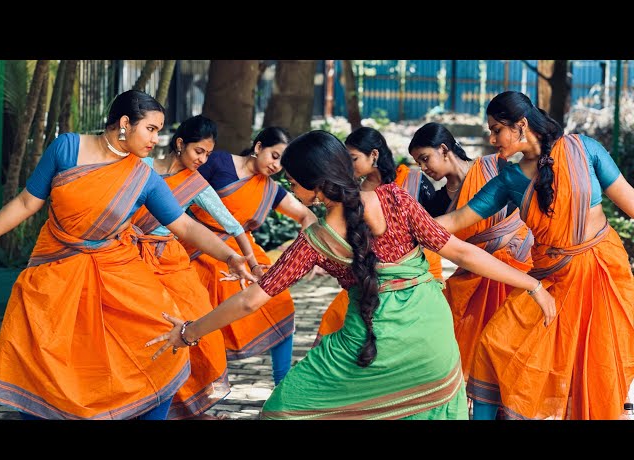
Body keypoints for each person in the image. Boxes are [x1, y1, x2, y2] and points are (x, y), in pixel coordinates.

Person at [146, 129, 556, 420]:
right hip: (432, 342)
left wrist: (189, 332)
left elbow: (253, 299)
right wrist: (533, 283)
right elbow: (461, 251)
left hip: (368, 347)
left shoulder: (315, 240)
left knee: (282, 410)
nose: (289, 186)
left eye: (293, 181)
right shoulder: (394, 198)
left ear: (315, 187)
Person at [0, 90, 254, 420]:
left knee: (163, 348)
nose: (156, 138)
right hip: (53, 272)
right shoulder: (67, 148)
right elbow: (26, 203)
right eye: (151, 129)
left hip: (117, 273)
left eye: (159, 130)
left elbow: (185, 227)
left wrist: (229, 256)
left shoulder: (143, 176)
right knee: (43, 359)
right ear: (125, 123)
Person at [434, 91, 634, 420]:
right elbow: (457, 220)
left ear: (521, 125)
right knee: (493, 346)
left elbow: (630, 203)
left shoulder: (584, 150)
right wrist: (408, 224)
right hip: (550, 281)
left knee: (595, 368)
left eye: (497, 129)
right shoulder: (511, 179)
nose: (492, 138)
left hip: (600, 276)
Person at [133, 114, 263, 419]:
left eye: (207, 153)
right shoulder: (142, 168)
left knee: (201, 329)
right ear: (180, 144)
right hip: (131, 259)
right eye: (198, 152)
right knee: (141, 333)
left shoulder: (196, 184)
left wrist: (251, 263)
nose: (203, 159)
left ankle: (193, 410)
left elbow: (233, 226)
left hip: (172, 262)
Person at [180, 127, 317, 386]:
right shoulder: (219, 162)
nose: (276, 165)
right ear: (258, 147)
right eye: (274, 156)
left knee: (280, 304)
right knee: (202, 320)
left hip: (245, 252)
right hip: (200, 248)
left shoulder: (270, 189)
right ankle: (198, 397)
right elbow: (179, 194)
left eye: (282, 162)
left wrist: (306, 255)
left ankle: (282, 386)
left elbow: (307, 216)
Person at [408, 122, 534, 384]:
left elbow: (529, 205)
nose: (424, 168)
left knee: (514, 351)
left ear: (444, 149)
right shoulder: (438, 203)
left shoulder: (496, 168)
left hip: (520, 266)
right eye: (419, 163)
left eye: (425, 158)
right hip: (477, 277)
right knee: (475, 352)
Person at [313, 126, 443, 347]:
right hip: (372, 273)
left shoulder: (412, 181)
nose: (348, 166)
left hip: (415, 270)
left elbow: (436, 226)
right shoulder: (354, 190)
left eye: (353, 158)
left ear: (374, 155)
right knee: (336, 318)